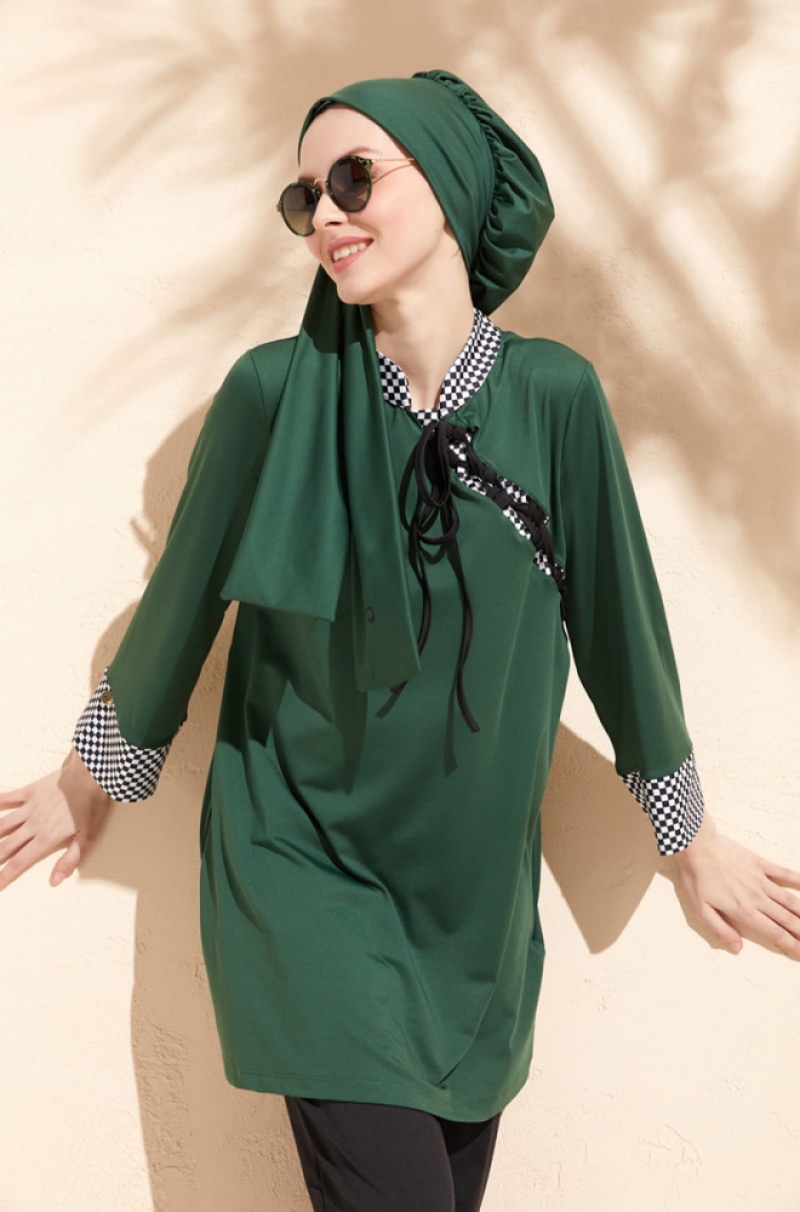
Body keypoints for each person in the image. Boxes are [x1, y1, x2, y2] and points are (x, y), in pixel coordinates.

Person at [1, 70, 799, 1212]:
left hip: (469, 908)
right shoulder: (274, 394)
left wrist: (691, 841)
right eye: (305, 198)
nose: (325, 214)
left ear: (453, 185)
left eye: (353, 178)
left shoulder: (553, 399)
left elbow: (621, 634)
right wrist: (85, 782)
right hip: (301, 879)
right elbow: (179, 608)